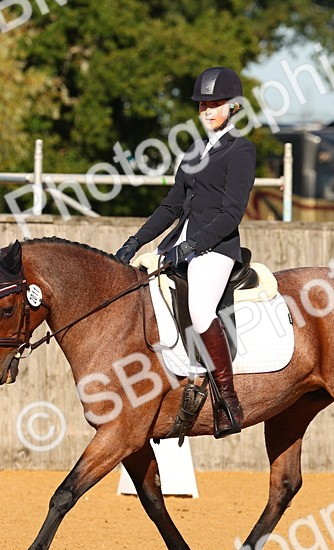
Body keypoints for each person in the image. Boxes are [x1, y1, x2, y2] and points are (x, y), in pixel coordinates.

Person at [114, 66, 256, 439]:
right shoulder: (194, 150)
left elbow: (232, 213)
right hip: (179, 244)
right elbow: (170, 207)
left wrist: (193, 246)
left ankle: (227, 399)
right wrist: (133, 244)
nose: (208, 111)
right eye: (203, 105)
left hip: (217, 247)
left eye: (216, 104)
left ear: (233, 106)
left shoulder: (241, 150)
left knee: (201, 309)